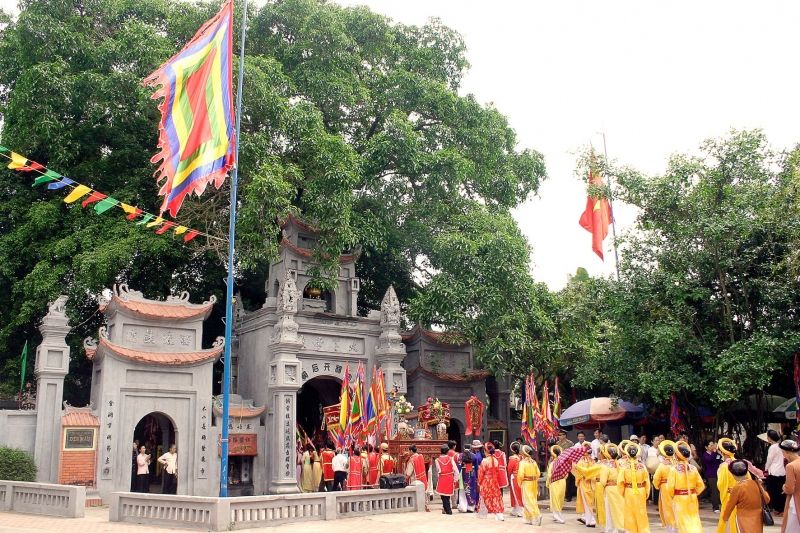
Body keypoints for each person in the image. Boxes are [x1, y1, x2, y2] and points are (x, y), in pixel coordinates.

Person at [666, 440, 706, 533]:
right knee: (694, 519)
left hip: (679, 498)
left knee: (682, 521)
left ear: (676, 455)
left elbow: (670, 488)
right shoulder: (693, 468)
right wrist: (693, 493)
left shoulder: (674, 469)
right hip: (692, 497)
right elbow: (701, 486)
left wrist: (675, 495)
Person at [721, 460, 769, 533]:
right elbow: (767, 499)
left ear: (733, 474)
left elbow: (730, 505)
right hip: (758, 517)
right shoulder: (755, 483)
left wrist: (725, 517)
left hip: (743, 517)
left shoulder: (737, 487)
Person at [618, 442, 650, 533]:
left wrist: (622, 493)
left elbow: (620, 482)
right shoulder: (642, 466)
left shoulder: (624, 466)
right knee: (641, 512)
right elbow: (647, 481)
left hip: (628, 490)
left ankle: (631, 530)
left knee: (629, 512)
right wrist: (646, 493)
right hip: (641, 490)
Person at [717, 437, 746, 533]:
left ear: (722, 452)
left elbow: (721, 484)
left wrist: (723, 497)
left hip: (730, 496)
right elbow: (748, 479)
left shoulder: (724, 466)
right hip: (742, 496)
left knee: (729, 520)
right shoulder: (741, 463)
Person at [652, 439, 677, 533]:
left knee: (668, 509)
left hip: (665, 488)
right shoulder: (677, 464)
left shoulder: (662, 465)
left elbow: (655, 479)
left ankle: (671, 529)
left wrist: (658, 486)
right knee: (676, 507)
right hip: (676, 487)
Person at [573, 442, 600, 527]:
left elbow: (580, 473)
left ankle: (590, 520)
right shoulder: (587, 461)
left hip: (587, 483)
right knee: (588, 502)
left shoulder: (586, 461)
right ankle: (589, 520)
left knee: (588, 502)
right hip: (588, 483)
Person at [599, 443, 624, 533]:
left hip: (610, 490)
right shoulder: (620, 464)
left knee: (609, 510)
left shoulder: (606, 466)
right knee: (619, 508)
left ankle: (610, 529)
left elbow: (602, 481)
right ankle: (618, 527)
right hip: (619, 488)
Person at [477, 442, 504, 520]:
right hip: (494, 481)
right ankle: (499, 514)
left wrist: (479, 482)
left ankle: (484, 514)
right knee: (496, 497)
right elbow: (498, 472)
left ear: (486, 451)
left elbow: (480, 473)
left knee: (485, 496)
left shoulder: (484, 461)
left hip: (486, 481)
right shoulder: (496, 460)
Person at [765, 429, 787, 517]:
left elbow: (769, 460)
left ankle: (777, 509)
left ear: (770, 438)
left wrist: (765, 468)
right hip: (782, 471)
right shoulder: (781, 446)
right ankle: (781, 509)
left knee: (774, 491)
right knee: (781, 491)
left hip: (774, 471)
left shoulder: (773, 447)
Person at [519, 444, 542, 525]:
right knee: (533, 499)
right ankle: (527, 518)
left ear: (524, 453)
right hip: (533, 483)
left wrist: (520, 482)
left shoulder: (523, 462)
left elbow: (521, 475)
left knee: (527, 501)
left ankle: (536, 516)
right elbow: (538, 473)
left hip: (526, 483)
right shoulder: (534, 462)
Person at [781, 439, 800, 533]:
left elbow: (789, 489)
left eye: (783, 452)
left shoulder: (790, 466)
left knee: (791, 528)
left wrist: (784, 487)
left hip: (795, 502)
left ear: (787, 452)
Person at [546, 444, 567, 524]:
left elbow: (549, 475)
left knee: (555, 499)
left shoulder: (552, 463)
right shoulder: (563, 462)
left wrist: (548, 483)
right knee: (560, 498)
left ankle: (558, 517)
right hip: (562, 482)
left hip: (554, 482)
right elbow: (566, 474)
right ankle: (556, 515)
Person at [435, 444, 458, 515]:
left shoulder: (437, 460)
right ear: (447, 451)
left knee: (443, 496)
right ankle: (447, 510)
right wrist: (455, 479)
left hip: (442, 478)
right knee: (447, 496)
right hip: (449, 478)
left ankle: (448, 511)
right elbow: (456, 470)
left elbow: (438, 470)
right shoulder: (451, 459)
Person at [702, 439, 723, 513]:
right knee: (714, 491)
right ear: (706, 447)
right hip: (711, 475)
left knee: (720, 490)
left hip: (719, 474)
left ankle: (722, 505)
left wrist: (719, 453)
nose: (712, 446)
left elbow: (720, 459)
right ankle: (715, 507)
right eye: (710, 445)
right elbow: (710, 460)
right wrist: (714, 451)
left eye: (712, 445)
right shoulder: (705, 455)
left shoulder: (716, 453)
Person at [507, 441, 522, 517]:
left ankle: (519, 511)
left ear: (512, 450)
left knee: (515, 493)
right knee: (520, 493)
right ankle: (515, 510)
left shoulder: (512, 458)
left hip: (514, 477)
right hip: (521, 476)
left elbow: (509, 469)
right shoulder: (522, 457)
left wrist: (509, 476)